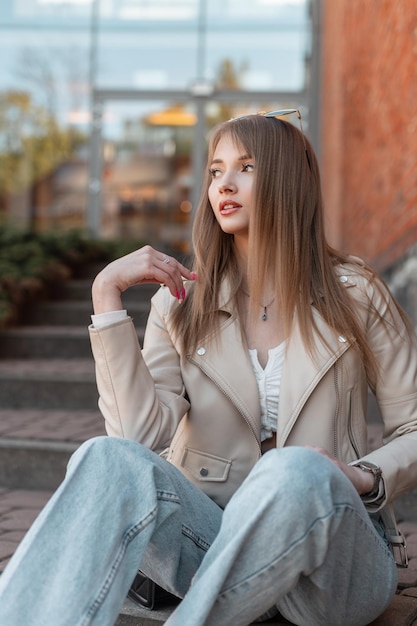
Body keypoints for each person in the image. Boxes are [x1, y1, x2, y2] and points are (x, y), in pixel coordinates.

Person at [0, 109, 416, 626]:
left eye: (246, 166)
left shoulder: (355, 294)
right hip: (212, 540)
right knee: (104, 458)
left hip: (333, 561)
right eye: (216, 170)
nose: (225, 183)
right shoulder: (180, 305)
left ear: (289, 179)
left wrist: (359, 476)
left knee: (292, 468)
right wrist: (105, 298)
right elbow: (137, 437)